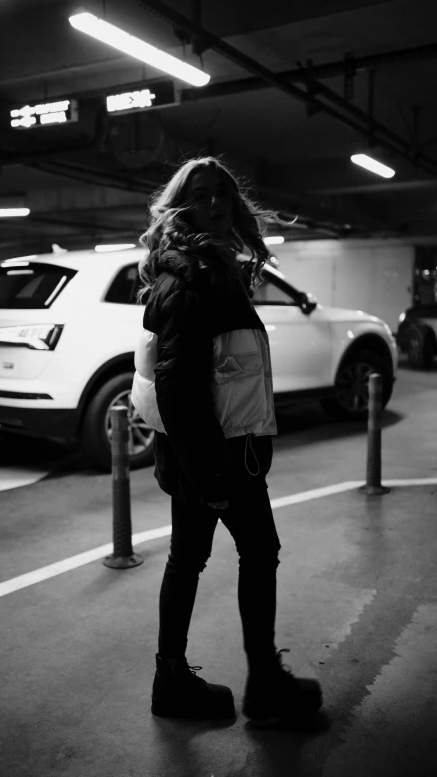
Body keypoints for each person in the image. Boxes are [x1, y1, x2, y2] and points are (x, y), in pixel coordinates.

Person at [131, 156, 323, 723]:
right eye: (201, 194)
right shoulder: (195, 277)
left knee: (187, 559)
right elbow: (178, 386)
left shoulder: (205, 266)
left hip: (202, 451)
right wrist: (213, 475)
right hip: (219, 455)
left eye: (222, 194)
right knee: (259, 551)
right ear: (180, 205)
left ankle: (171, 682)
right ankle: (264, 687)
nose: (214, 204)